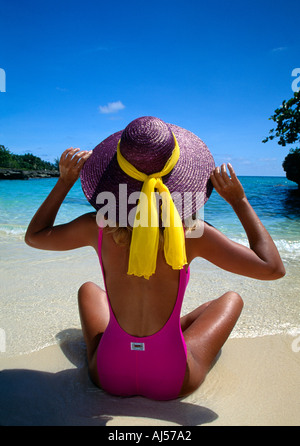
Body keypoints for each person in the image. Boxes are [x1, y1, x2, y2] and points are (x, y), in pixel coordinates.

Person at [25, 116, 285, 400]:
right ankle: (166, 331)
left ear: (116, 180)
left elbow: (35, 236)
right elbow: (271, 268)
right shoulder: (193, 233)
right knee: (231, 299)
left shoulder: (97, 226)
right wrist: (239, 202)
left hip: (110, 374)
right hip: (171, 378)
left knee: (88, 289)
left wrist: (64, 182)